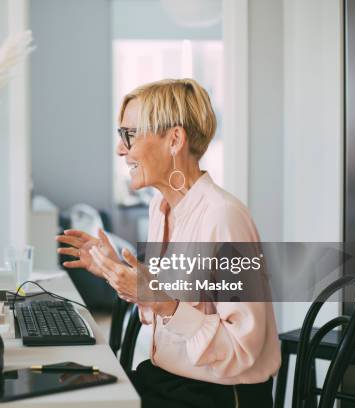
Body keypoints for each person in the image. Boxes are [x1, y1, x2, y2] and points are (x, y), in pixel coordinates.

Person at [56, 79, 280, 408]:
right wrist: (114, 271)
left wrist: (160, 301)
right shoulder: (160, 208)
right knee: (73, 392)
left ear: (174, 139)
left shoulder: (225, 218)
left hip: (219, 395)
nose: (121, 149)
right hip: (169, 378)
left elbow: (241, 350)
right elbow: (170, 302)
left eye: (129, 135)